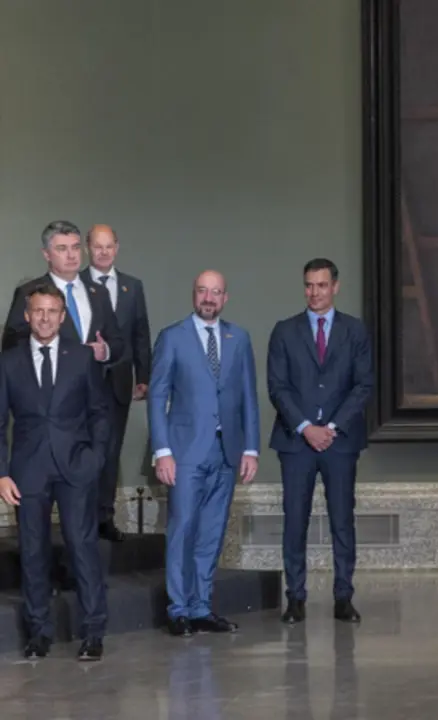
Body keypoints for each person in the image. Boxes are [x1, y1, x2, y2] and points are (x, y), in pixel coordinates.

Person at [0, 283, 110, 660]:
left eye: (52, 311)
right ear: (27, 315)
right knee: (33, 552)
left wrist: (95, 459)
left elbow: (100, 413)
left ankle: (93, 632)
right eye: (38, 311)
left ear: (62, 317)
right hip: (27, 472)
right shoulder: (8, 362)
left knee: (83, 549)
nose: (45, 318)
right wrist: (1, 474)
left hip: (75, 467)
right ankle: (39, 633)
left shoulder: (81, 358)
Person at [149, 270, 260, 638]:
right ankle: (178, 608)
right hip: (184, 453)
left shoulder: (239, 338)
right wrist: (162, 451)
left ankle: (201, 607)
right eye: (202, 291)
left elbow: (248, 396)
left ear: (225, 298)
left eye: (215, 292)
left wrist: (251, 448)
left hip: (227, 451)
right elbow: (157, 396)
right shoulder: (172, 337)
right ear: (193, 295)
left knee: (212, 533)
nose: (208, 298)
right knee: (182, 529)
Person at [267, 259, 374, 624]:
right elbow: (277, 387)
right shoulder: (284, 331)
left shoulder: (355, 331)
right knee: (294, 520)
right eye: (309, 285)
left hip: (340, 442)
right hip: (296, 443)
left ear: (335, 287)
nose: (315, 292)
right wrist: (305, 427)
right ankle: (295, 598)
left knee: (342, 521)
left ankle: (343, 597)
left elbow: (363, 385)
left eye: (322, 285)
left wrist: (331, 427)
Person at [80, 224, 152, 542]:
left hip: (120, 382)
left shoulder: (132, 287)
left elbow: (141, 333)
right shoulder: (75, 284)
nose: (104, 252)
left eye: (109, 246)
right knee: (85, 451)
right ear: (87, 248)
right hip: (83, 383)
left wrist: (144, 376)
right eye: (98, 246)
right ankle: (81, 515)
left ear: (117, 248)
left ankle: (104, 516)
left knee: (111, 451)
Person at [2, 220, 120, 366]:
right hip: (48, 384)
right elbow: (12, 345)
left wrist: (105, 351)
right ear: (46, 254)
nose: (71, 255)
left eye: (75, 247)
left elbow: (117, 342)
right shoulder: (29, 292)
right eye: (62, 249)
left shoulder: (99, 292)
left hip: (94, 384)